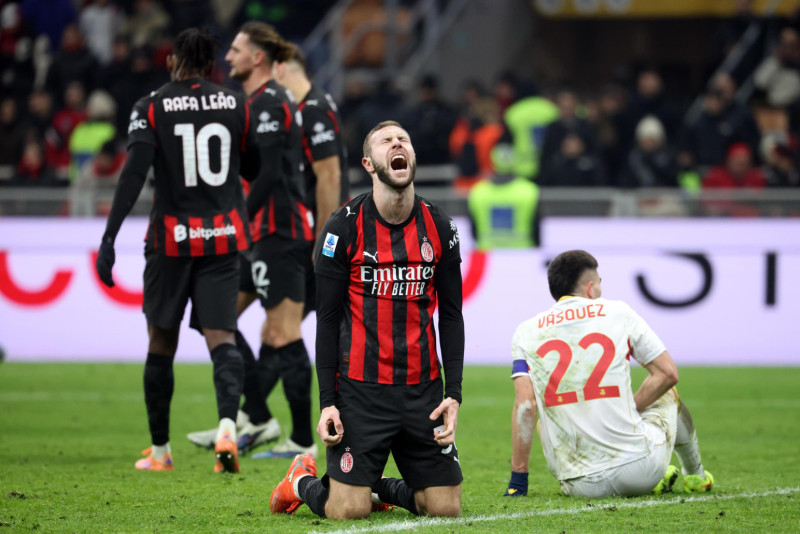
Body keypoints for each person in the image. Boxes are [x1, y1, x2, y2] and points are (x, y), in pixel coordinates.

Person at [269, 121, 465, 519]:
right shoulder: (343, 226)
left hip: (422, 390)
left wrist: (454, 393)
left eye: (404, 139)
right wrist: (328, 403)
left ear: (412, 157)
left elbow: (451, 314)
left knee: (445, 509)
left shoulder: (440, 226)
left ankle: (377, 486)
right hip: (360, 392)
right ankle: (300, 482)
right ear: (369, 164)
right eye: (385, 141)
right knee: (347, 511)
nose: (397, 144)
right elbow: (327, 320)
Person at [94, 27, 261, 474]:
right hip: (223, 238)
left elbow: (134, 173)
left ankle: (161, 451)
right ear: (210, 66)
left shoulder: (150, 106)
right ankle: (227, 427)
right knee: (222, 337)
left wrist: (109, 237)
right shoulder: (236, 104)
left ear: (172, 62)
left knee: (161, 341)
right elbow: (255, 167)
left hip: (170, 240)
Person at [186, 22, 316, 460]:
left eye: (237, 50)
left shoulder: (271, 101)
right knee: (211, 316)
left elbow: (271, 173)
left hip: (279, 232)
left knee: (283, 331)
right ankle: (257, 414)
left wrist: (235, 220)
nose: (228, 57)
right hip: (256, 234)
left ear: (257, 57)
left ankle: (302, 440)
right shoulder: (254, 102)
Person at [504, 250, 714, 498]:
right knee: (668, 392)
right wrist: (632, 409)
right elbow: (667, 374)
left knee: (545, 421)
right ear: (590, 288)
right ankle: (696, 476)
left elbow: (526, 405)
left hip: (580, 486)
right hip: (639, 468)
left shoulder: (526, 331)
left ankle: (534, 479)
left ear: (554, 292)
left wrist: (518, 481)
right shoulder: (618, 312)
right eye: (600, 283)